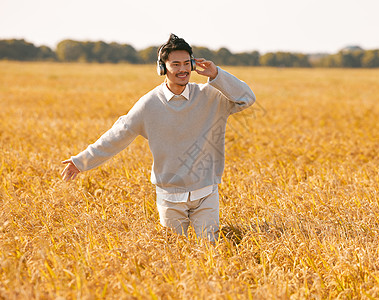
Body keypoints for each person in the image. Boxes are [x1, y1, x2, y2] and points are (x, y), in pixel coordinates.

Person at [61, 34, 255, 242]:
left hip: (206, 193)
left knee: (210, 251)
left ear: (192, 64)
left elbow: (247, 98)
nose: (182, 69)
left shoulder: (211, 96)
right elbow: (118, 134)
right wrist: (81, 161)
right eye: (175, 64)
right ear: (162, 68)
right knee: (173, 254)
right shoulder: (149, 104)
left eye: (186, 63)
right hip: (169, 199)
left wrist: (217, 74)